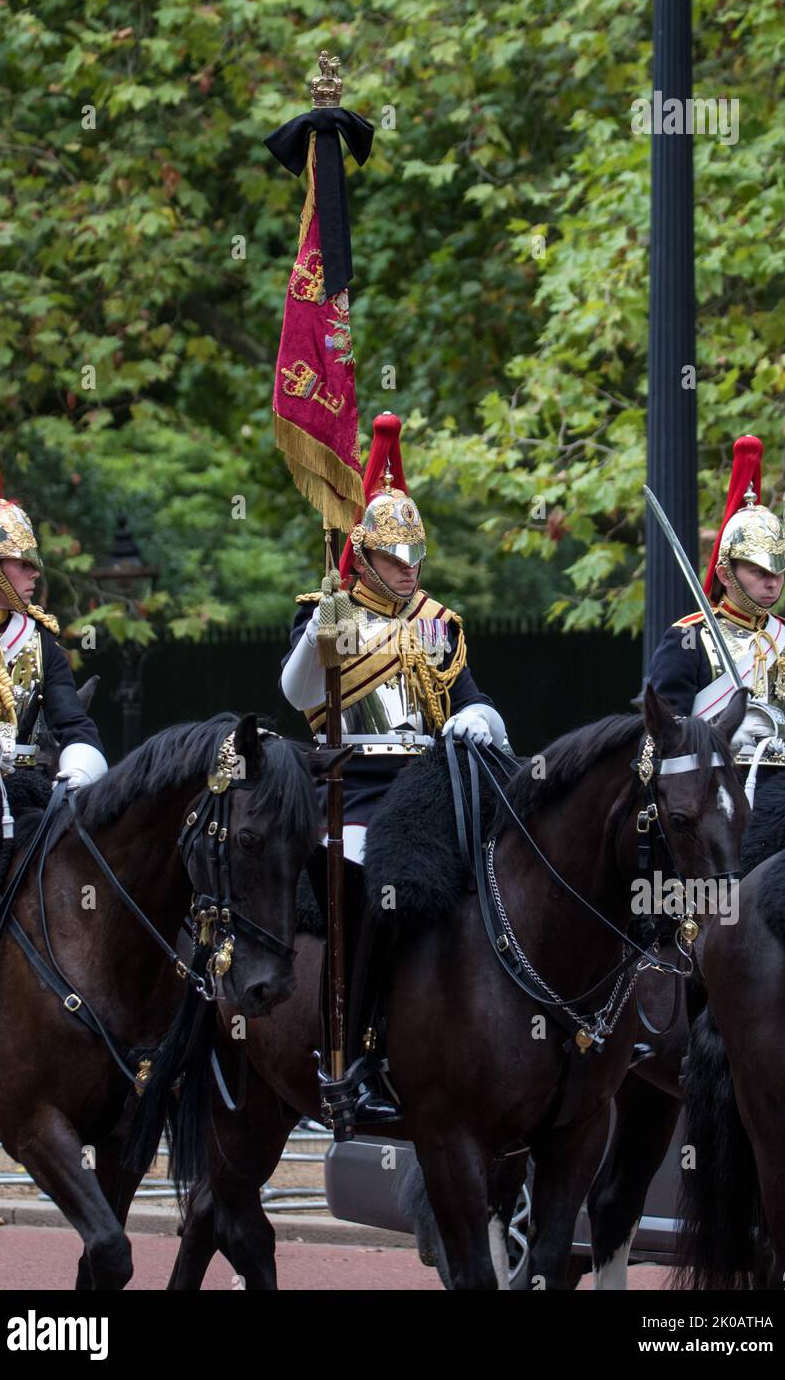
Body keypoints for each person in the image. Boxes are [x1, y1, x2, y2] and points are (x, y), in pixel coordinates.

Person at [281, 412, 509, 1124]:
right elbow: (297, 694)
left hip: (429, 785)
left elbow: (469, 698)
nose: (410, 569)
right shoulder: (329, 612)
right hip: (356, 787)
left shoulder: (441, 622)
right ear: (365, 554)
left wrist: (478, 717)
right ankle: (349, 1055)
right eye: (396, 557)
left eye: (416, 557)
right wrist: (327, 623)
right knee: (369, 886)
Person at [647, 434, 785, 781]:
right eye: (759, 572)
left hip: (777, 796)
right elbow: (664, 738)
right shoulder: (690, 639)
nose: (772, 582)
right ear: (726, 573)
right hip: (705, 794)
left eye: (778, 572)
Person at [0, 425, 107, 797]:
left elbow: (74, 726)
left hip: (23, 798)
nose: (35, 573)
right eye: (22, 564)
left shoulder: (36, 640)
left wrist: (77, 773)